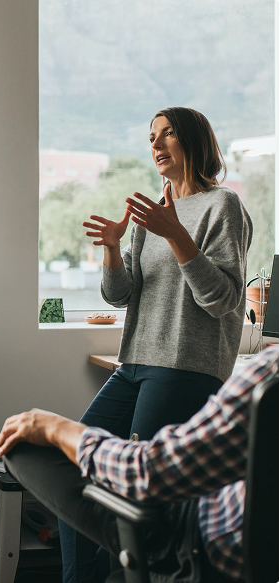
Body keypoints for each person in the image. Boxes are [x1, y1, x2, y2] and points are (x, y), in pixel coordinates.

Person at [57, 107, 253, 581]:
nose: (156, 143)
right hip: (134, 363)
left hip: (184, 368)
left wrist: (178, 236)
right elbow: (120, 295)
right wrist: (111, 249)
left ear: (194, 142)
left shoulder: (221, 206)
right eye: (151, 136)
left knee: (132, 496)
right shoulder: (153, 213)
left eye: (168, 134)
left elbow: (224, 300)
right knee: (74, 469)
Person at [0, 345, 278, 583]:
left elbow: (150, 472)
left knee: (21, 448)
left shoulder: (271, 372)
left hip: (198, 541)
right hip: (136, 358)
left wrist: (59, 430)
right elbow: (116, 294)